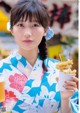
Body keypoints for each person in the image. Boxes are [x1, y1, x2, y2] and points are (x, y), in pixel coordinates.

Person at [0, 0, 78, 113]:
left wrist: (65, 99)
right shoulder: (1, 69)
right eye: (21, 25)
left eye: (35, 25)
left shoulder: (60, 71)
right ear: (12, 29)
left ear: (45, 30)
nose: (27, 33)